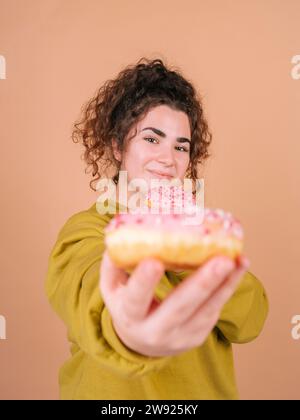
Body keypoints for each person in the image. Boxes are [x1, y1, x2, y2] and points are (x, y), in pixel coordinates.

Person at [45, 57, 269, 399]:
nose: (169, 159)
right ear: (119, 146)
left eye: (182, 146)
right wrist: (130, 334)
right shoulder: (86, 230)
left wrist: (187, 248)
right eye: (152, 139)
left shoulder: (203, 233)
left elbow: (250, 320)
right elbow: (91, 290)